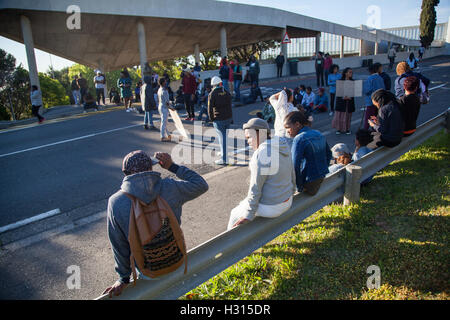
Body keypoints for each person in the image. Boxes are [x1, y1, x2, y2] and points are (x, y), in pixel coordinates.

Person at [103, 150, 208, 297]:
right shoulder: (170, 187)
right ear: (151, 168)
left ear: (126, 173)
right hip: (176, 261)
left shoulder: (116, 202)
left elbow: (118, 244)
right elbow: (201, 185)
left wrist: (124, 277)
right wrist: (172, 166)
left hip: (147, 272)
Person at [227, 118, 296, 229]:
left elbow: (255, 188)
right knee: (243, 204)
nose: (248, 142)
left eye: (249, 137)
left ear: (260, 134)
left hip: (273, 207)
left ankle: (229, 245)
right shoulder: (282, 144)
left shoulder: (261, 154)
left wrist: (248, 215)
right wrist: (292, 192)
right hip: (287, 200)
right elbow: (292, 171)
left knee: (234, 213)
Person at [284, 111, 332, 196]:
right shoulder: (318, 133)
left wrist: (298, 187)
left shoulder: (299, 138)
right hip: (321, 177)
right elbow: (329, 154)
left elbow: (295, 165)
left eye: (288, 127)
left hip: (308, 181)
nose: (287, 131)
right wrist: (323, 170)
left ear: (297, 124)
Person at [208, 76, 233, 165]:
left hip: (219, 118)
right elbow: (230, 105)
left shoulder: (212, 94)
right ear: (220, 83)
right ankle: (224, 153)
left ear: (213, 85)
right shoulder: (226, 92)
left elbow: (210, 108)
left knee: (222, 138)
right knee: (224, 137)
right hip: (228, 117)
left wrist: (211, 119)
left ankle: (224, 158)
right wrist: (231, 117)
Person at [332, 67, 355, 135]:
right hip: (341, 101)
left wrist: (350, 96)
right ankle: (339, 129)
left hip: (349, 101)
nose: (351, 73)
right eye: (350, 72)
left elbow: (355, 91)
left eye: (351, 72)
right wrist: (343, 97)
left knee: (347, 116)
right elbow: (338, 92)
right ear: (345, 73)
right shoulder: (340, 81)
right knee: (339, 116)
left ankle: (347, 129)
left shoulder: (353, 81)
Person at [362, 64, 385, 130]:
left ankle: (365, 131)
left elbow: (366, 90)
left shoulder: (370, 78)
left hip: (370, 101)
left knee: (368, 117)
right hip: (379, 101)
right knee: (376, 116)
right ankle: (375, 129)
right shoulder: (380, 78)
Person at [142, 64, 157, 130]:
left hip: (144, 102)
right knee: (150, 113)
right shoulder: (149, 86)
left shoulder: (143, 86)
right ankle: (151, 124)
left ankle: (145, 123)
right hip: (148, 102)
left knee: (146, 113)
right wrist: (154, 104)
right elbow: (151, 96)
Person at [158, 78, 173, 142]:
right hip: (164, 108)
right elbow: (167, 102)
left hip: (160, 106)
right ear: (163, 82)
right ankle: (162, 136)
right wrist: (171, 108)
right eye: (165, 81)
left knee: (165, 122)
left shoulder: (159, 89)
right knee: (164, 123)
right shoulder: (165, 91)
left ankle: (168, 134)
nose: (166, 82)